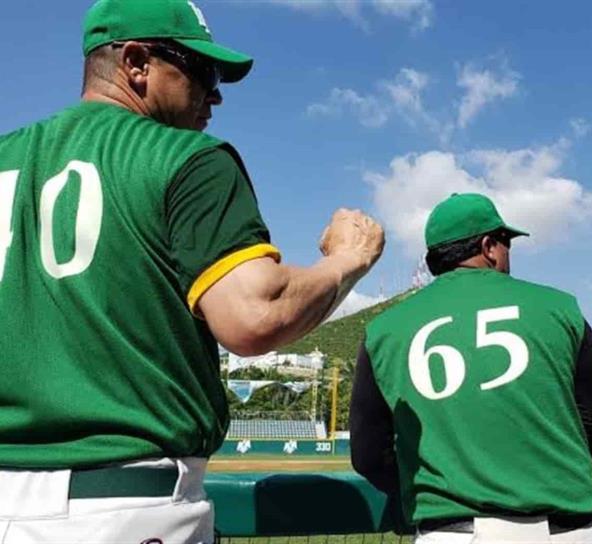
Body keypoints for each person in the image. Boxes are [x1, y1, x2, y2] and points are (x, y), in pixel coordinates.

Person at [0, 1, 383, 542]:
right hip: (123, 506)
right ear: (136, 63)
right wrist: (348, 258)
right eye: (201, 70)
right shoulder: (186, 157)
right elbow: (255, 316)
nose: (217, 93)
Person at [350, 193, 592, 543]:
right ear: (489, 246)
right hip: (569, 531)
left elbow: (369, 454)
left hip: (454, 533)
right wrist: (539, 471)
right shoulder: (559, 307)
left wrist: (446, 487)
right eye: (507, 243)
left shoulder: (383, 330)